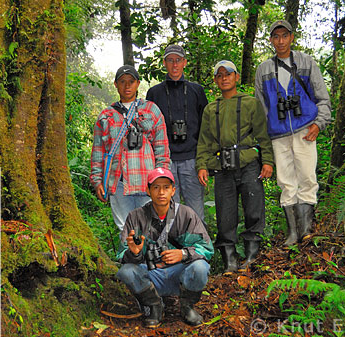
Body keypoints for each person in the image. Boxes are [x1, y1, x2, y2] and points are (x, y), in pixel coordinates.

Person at [254, 20, 332, 246]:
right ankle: (292, 233)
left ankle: (306, 228)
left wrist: (319, 123)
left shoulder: (306, 62)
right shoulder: (264, 69)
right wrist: (264, 137)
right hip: (278, 134)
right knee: (286, 181)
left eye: (284, 36)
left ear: (291, 37)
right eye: (276, 36)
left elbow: (322, 97)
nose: (280, 41)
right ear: (271, 40)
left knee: (307, 177)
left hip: (305, 129)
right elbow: (262, 107)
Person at [196, 60, 274, 273]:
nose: (224, 78)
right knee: (225, 214)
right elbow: (204, 141)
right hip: (222, 167)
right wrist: (202, 165)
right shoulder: (211, 109)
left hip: (248, 163)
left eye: (228, 74)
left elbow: (262, 135)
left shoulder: (251, 103)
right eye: (219, 75)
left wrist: (267, 161)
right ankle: (230, 260)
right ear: (215, 80)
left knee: (253, 208)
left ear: (236, 77)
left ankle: (251, 256)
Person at [116, 167, 213, 328]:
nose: (161, 192)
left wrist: (182, 254)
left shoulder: (186, 214)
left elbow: (206, 248)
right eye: (156, 187)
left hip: (180, 275)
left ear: (173, 191)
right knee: (126, 272)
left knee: (201, 267)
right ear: (148, 190)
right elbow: (121, 255)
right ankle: (154, 305)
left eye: (166, 187)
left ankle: (187, 306)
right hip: (151, 276)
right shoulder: (136, 217)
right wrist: (134, 253)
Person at [90, 65, 171, 234]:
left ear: (138, 84)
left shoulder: (151, 110)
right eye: (122, 82)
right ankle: (130, 260)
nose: (127, 86)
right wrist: (97, 181)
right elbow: (98, 152)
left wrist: (162, 179)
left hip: (147, 181)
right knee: (125, 228)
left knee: (151, 227)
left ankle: (151, 260)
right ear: (115, 84)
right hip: (119, 183)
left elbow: (162, 147)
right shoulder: (106, 116)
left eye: (131, 82)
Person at [146, 45, 209, 221]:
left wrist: (204, 161)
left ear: (185, 63)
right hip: (165, 162)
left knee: (195, 211)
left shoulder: (197, 91)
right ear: (164, 63)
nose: (175, 65)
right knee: (168, 211)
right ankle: (171, 247)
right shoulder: (154, 93)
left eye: (178, 60)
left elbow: (206, 127)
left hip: (191, 160)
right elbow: (149, 129)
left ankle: (198, 247)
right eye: (170, 60)